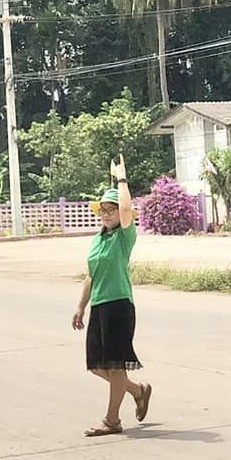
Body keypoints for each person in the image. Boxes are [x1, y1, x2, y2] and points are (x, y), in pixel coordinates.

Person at [71, 156, 153, 438]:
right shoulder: (98, 239)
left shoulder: (124, 237)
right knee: (97, 365)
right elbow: (90, 275)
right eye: (103, 210)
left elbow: (128, 207)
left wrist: (122, 179)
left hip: (119, 306)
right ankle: (138, 390)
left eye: (112, 209)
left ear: (121, 213)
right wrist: (81, 307)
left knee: (116, 366)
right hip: (99, 306)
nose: (106, 214)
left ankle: (112, 420)